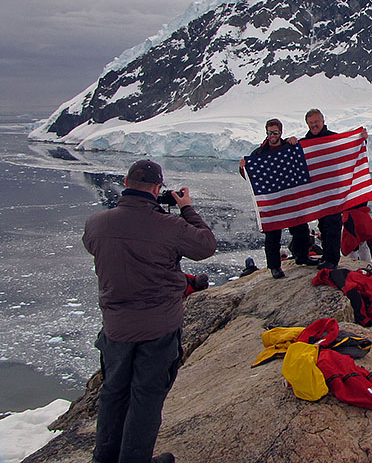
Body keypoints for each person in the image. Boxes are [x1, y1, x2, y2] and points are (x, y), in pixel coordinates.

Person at [83, 159, 217, 463]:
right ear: (157, 189)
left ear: (127, 184)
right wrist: (185, 208)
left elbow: (94, 246)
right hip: (159, 329)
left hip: (116, 329)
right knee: (146, 398)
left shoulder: (96, 223)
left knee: (113, 394)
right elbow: (206, 245)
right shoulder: (169, 226)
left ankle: (104, 458)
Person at [287, 108, 369, 270]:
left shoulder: (334, 139)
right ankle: (326, 256)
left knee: (333, 223)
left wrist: (361, 139)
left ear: (323, 121)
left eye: (316, 122)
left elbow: (350, 149)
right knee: (323, 225)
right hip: (316, 193)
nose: (314, 125)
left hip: (333, 191)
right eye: (311, 123)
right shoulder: (304, 143)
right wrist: (289, 144)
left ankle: (332, 259)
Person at [239, 118, 309, 278]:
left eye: (275, 132)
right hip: (272, 201)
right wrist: (242, 168)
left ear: (280, 133)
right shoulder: (258, 154)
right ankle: (274, 267)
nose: (272, 135)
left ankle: (302, 256)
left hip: (291, 198)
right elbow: (251, 177)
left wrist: (295, 143)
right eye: (270, 132)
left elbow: (301, 160)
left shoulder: (288, 147)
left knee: (301, 230)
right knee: (272, 236)